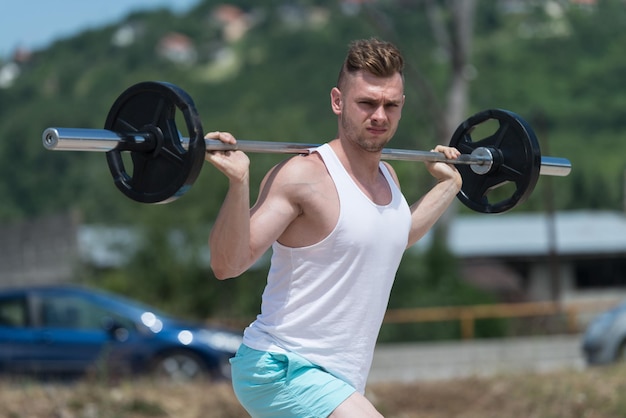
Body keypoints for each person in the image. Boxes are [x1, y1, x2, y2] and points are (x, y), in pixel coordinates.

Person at [205, 38, 462, 418]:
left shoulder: (388, 177)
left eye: (390, 105)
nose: (379, 115)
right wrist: (239, 182)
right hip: (281, 367)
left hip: (340, 379)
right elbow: (228, 264)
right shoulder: (302, 176)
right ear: (338, 101)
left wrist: (450, 186)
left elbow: (392, 239)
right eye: (366, 103)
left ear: (401, 107)